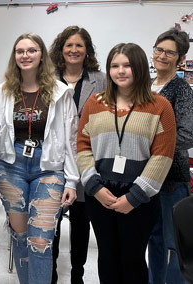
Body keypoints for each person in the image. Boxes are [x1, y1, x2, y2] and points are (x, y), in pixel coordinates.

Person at [0, 33, 79, 284]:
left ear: (41, 55)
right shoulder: (3, 91)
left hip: (48, 167)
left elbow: (71, 138)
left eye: (31, 50)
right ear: (14, 56)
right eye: (20, 51)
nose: (25, 55)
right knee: (20, 235)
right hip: (10, 166)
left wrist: (71, 181)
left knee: (41, 241)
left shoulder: (60, 92)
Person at [77, 43, 176, 284]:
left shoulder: (160, 106)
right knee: (107, 258)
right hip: (100, 194)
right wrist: (94, 187)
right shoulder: (94, 103)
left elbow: (162, 158)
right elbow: (82, 147)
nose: (120, 71)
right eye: (114, 65)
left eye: (127, 65)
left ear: (140, 67)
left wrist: (134, 197)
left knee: (132, 261)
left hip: (139, 198)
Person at [48, 26, 106, 284]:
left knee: (82, 223)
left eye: (79, 46)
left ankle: (77, 274)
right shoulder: (47, 77)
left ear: (87, 50)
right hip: (54, 159)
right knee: (52, 221)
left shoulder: (101, 80)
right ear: (61, 49)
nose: (73, 50)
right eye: (68, 45)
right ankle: (49, 272)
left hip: (87, 158)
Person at [147, 28, 193, 284]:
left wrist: (153, 146)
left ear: (180, 59)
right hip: (145, 178)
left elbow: (187, 134)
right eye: (159, 49)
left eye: (169, 53)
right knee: (153, 239)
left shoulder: (181, 89)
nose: (162, 56)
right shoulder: (145, 85)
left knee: (174, 243)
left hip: (171, 178)